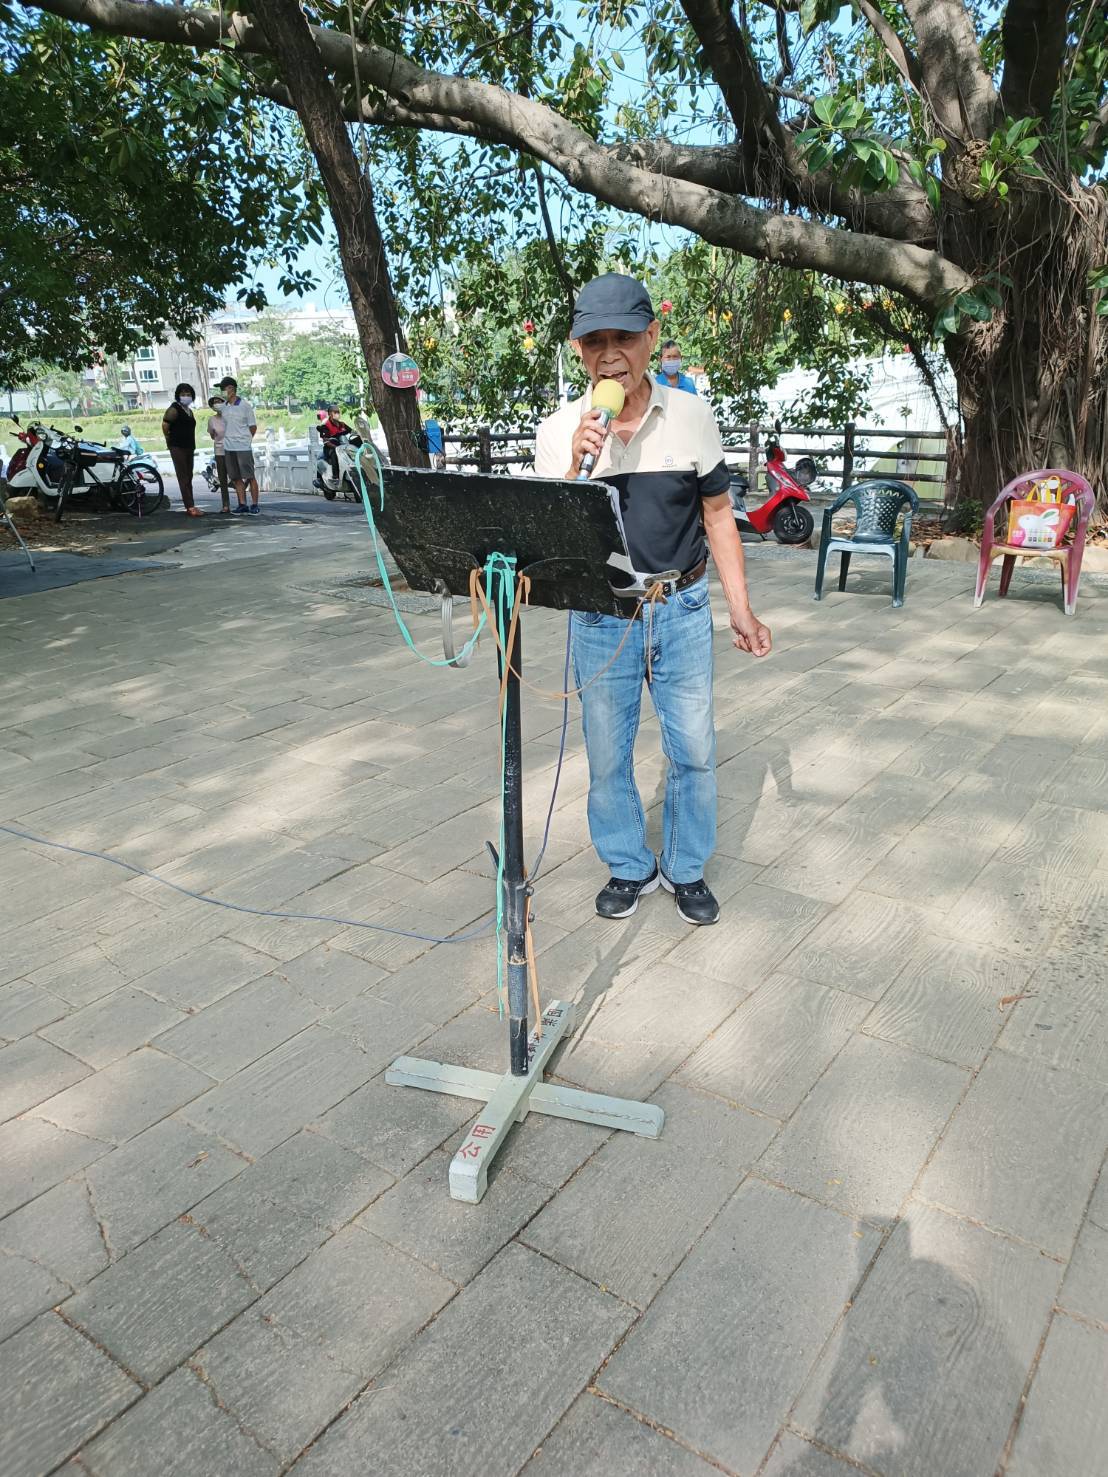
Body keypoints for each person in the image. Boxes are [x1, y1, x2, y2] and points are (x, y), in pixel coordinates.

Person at [534, 273, 771, 926]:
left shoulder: (690, 414)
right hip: (603, 613)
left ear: (652, 339)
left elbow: (720, 516)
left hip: (683, 606)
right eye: (596, 342)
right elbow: (555, 542)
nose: (612, 355)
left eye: (626, 339)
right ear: (578, 350)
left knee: (692, 745)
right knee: (607, 751)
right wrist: (574, 468)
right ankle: (628, 863)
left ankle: (687, 866)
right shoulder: (560, 430)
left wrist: (740, 609)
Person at [218, 376, 259, 514]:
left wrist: (246, 440)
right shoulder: (223, 408)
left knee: (250, 476)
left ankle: (254, 504)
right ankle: (242, 503)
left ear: (232, 389)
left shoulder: (245, 406)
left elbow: (253, 427)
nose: (222, 392)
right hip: (229, 447)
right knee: (235, 478)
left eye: (224, 389)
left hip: (243, 447)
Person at [161, 382, 202, 516]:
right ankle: (189, 506)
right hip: (177, 446)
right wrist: (169, 441)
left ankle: (191, 504)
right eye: (183, 394)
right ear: (178, 396)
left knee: (189, 476)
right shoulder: (174, 409)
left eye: (188, 394)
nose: (186, 396)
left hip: (189, 446)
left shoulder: (189, 411)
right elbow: (165, 425)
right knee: (183, 476)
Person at [314, 404, 352, 487]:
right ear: (330, 414)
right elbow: (326, 442)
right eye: (335, 412)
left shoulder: (341, 424)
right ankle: (335, 477)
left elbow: (351, 431)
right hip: (330, 447)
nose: (337, 414)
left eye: (338, 412)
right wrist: (336, 448)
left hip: (342, 446)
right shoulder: (326, 425)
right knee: (335, 454)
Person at [206, 395, 231, 515]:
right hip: (219, 451)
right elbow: (212, 436)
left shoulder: (230, 417)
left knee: (236, 478)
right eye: (214, 402)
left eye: (219, 401)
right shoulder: (212, 420)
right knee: (222, 479)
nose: (217, 404)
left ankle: (242, 503)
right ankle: (225, 505)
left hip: (232, 450)